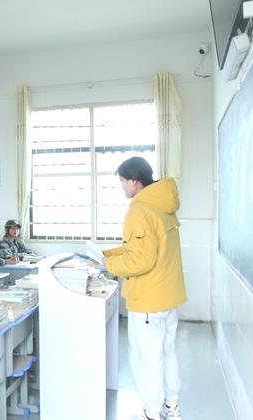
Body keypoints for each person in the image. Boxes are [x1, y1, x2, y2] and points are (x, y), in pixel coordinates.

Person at [102, 157, 186, 420]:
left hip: (149, 299)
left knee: (147, 358)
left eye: (123, 182)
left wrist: (108, 265)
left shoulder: (139, 210)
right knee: (168, 354)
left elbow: (141, 260)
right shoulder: (163, 204)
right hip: (169, 295)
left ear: (135, 181)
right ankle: (171, 407)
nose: (122, 187)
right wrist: (109, 254)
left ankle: (152, 412)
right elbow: (144, 248)